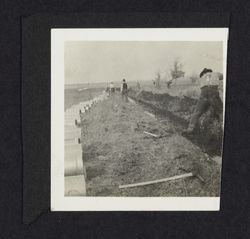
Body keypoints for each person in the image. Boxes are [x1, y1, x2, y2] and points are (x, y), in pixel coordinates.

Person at [183, 68, 223, 134]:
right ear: (210, 71)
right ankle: (222, 128)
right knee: (221, 110)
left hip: (203, 93)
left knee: (197, 111)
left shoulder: (202, 77)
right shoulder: (216, 73)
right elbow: (222, 77)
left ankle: (190, 129)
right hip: (213, 91)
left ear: (204, 73)